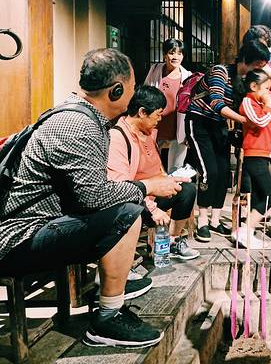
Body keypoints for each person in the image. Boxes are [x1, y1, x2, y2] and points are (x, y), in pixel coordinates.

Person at [0, 48, 185, 348]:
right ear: (116, 90)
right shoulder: (78, 125)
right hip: (19, 238)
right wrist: (148, 186)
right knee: (127, 212)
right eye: (132, 87)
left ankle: (113, 291)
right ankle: (106, 319)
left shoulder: (83, 117)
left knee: (126, 204)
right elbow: (93, 197)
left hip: (42, 225)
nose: (134, 94)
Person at [186, 40, 270, 242]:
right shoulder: (220, 72)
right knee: (209, 171)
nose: (259, 70)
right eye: (257, 65)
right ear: (246, 59)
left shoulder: (243, 81)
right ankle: (202, 220)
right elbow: (216, 102)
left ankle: (215, 220)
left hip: (219, 126)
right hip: (199, 122)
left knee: (224, 172)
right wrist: (244, 121)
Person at [107, 85, 200, 261]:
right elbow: (122, 186)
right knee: (132, 207)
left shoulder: (149, 134)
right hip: (134, 200)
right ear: (142, 112)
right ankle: (124, 260)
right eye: (157, 114)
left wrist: (171, 180)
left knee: (187, 189)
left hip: (153, 194)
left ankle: (172, 241)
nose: (160, 119)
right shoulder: (118, 137)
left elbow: (158, 169)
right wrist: (153, 209)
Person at [235, 69, 271, 247]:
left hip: (265, 155)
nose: (268, 93)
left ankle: (247, 234)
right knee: (269, 196)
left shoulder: (262, 105)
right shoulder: (248, 102)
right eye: (266, 89)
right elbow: (261, 122)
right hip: (254, 155)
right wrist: (268, 105)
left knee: (259, 197)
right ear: (253, 86)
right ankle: (244, 230)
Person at [241, 25, 271, 194]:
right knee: (250, 158)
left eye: (267, 45)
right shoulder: (244, 61)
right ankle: (249, 199)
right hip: (252, 113)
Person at [144, 38, 192, 173]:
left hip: (177, 126)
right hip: (156, 125)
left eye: (179, 53)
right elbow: (146, 93)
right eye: (172, 53)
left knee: (175, 168)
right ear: (165, 54)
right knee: (150, 165)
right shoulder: (155, 70)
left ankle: (173, 187)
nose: (176, 57)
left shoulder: (188, 76)